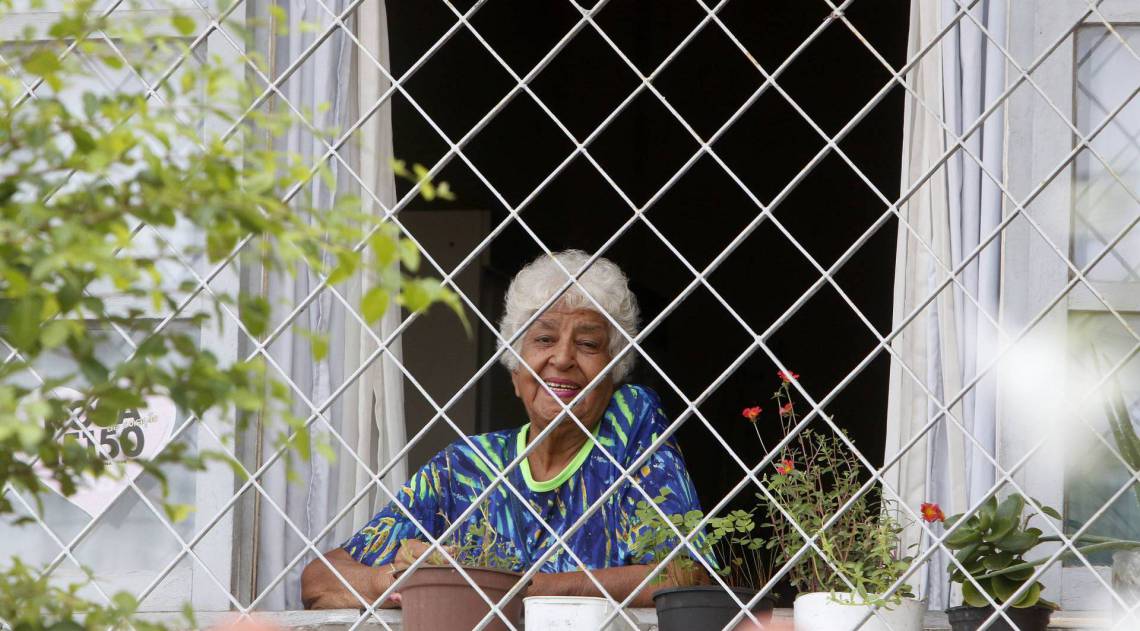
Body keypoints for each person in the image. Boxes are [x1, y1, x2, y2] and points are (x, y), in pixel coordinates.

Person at [301, 250, 706, 609]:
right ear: (515, 370)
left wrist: (526, 591)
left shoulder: (631, 430)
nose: (562, 358)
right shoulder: (464, 469)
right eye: (544, 338)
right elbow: (318, 581)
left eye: (587, 344)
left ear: (613, 370)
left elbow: (687, 575)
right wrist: (396, 580)